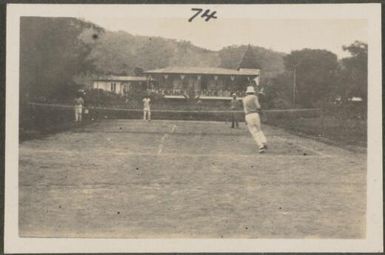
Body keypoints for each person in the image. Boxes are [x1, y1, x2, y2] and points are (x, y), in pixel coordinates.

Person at [242, 86, 268, 153]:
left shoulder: (244, 99)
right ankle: (264, 142)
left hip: (248, 115)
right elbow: (258, 106)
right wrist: (262, 113)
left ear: (247, 92)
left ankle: (260, 146)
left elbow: (244, 110)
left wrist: (245, 119)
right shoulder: (254, 97)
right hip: (255, 114)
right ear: (252, 92)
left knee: (254, 132)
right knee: (259, 129)